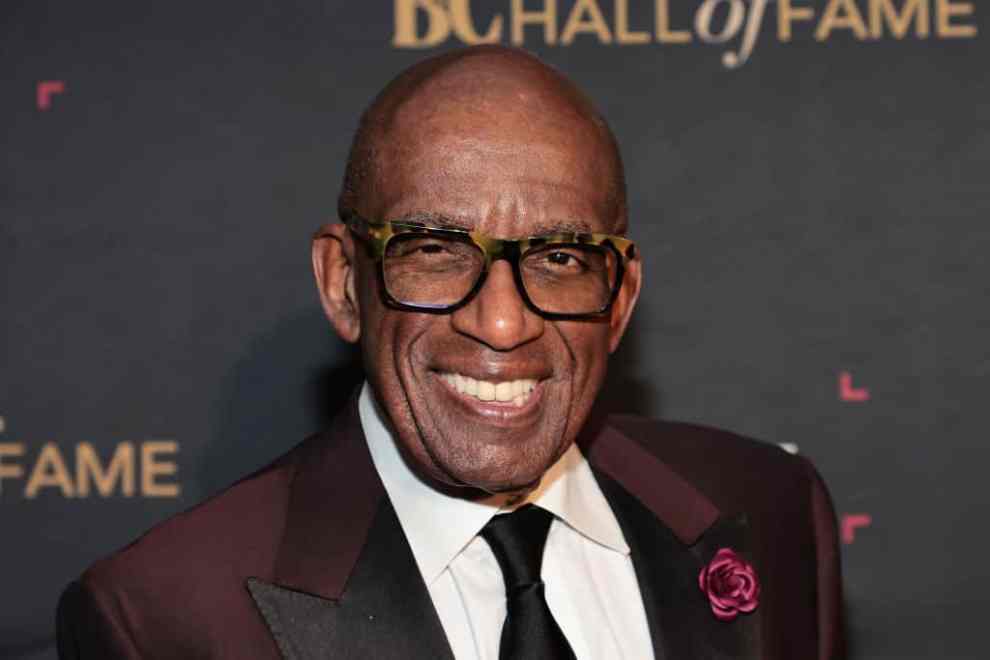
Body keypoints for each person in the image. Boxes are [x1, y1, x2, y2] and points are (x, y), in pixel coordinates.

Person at [56, 45, 845, 659]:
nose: (502, 325)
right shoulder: (164, 616)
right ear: (342, 284)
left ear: (621, 297)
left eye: (560, 257)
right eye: (433, 250)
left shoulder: (770, 509)